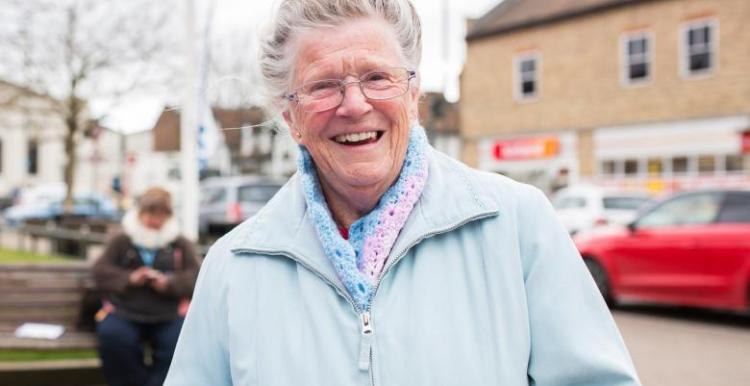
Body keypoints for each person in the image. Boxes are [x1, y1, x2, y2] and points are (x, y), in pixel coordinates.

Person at [166, 1, 641, 385]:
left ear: (413, 95)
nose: (354, 105)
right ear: (290, 118)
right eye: (323, 86)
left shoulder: (516, 224)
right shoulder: (235, 264)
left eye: (377, 77)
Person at [93, 187, 200, 386]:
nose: (155, 220)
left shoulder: (180, 244)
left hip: (169, 313)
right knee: (114, 338)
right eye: (150, 213)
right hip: (124, 311)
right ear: (141, 213)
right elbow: (100, 272)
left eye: (161, 215)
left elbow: (196, 276)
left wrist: (169, 284)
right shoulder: (122, 240)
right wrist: (130, 278)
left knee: (178, 345)